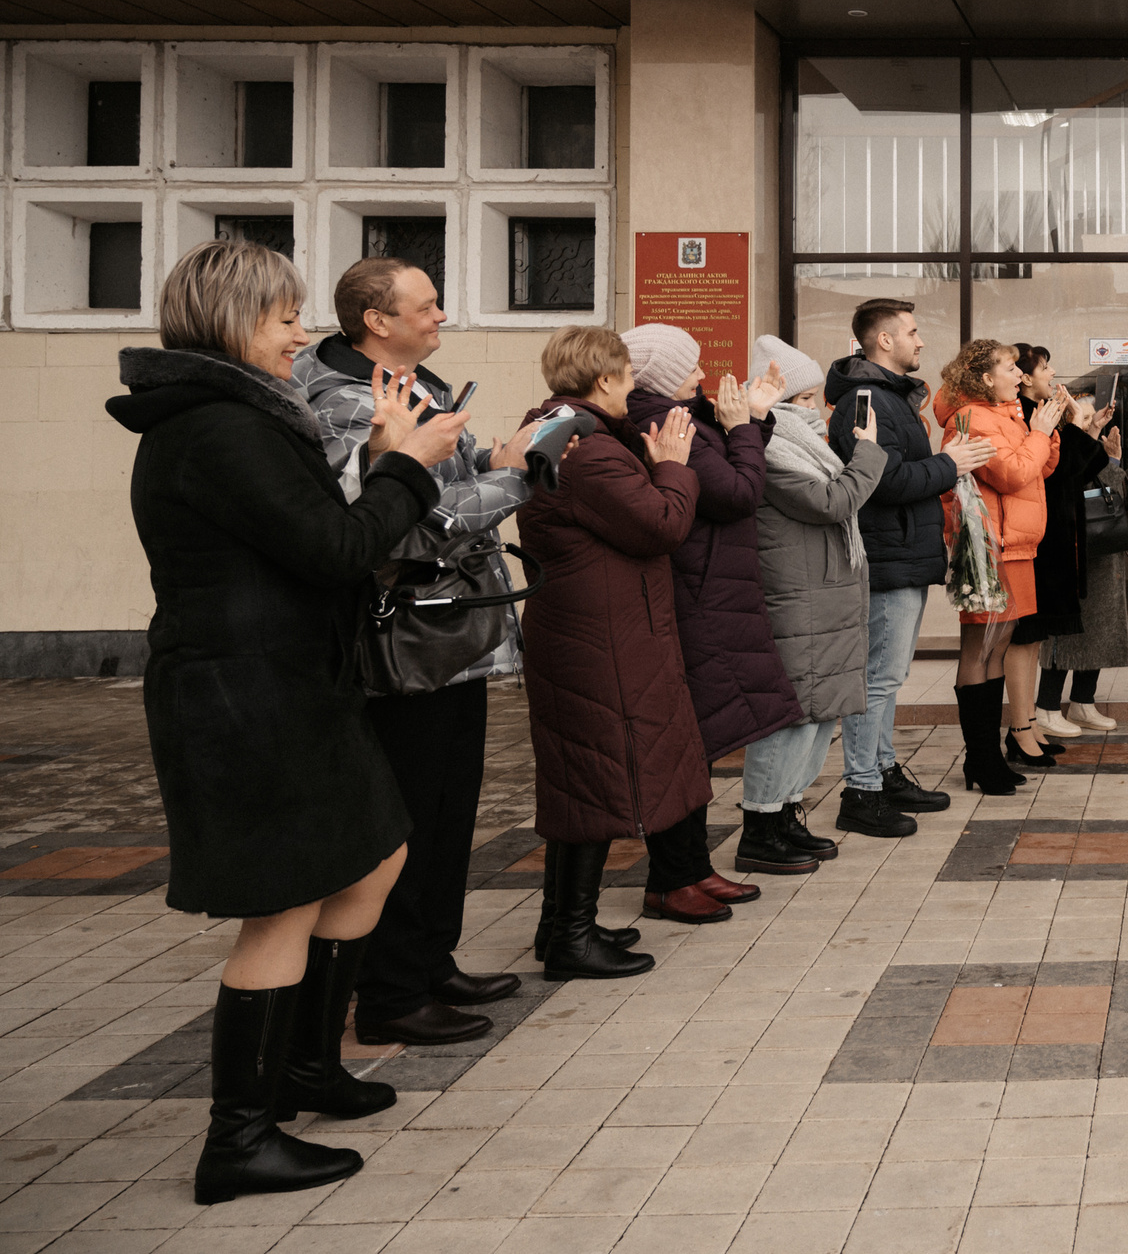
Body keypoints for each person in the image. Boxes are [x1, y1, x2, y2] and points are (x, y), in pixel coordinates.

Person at [107, 239, 467, 1206]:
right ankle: (240, 1136)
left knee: (376, 853)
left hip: (291, 682)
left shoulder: (243, 418)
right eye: (282, 319)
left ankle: (307, 1068)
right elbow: (335, 548)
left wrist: (391, 466)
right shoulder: (217, 429)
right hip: (243, 694)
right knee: (285, 902)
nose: (299, 335)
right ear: (232, 324)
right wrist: (404, 464)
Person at [293, 258, 537, 1050]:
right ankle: (391, 989)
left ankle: (432, 960)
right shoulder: (345, 404)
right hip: (402, 640)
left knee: (448, 809)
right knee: (407, 817)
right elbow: (404, 521)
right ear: (376, 320)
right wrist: (512, 478)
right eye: (425, 305)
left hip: (449, 632)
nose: (441, 316)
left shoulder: (416, 385)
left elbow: (433, 488)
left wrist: (487, 464)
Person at [514, 327, 704, 984]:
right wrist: (674, 465)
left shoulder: (551, 426)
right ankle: (571, 936)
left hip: (580, 626)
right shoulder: (588, 449)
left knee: (577, 776)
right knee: (593, 779)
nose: (634, 387)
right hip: (601, 636)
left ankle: (562, 924)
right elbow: (661, 525)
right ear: (601, 379)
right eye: (626, 376)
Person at [620, 325, 802, 913]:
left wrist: (749, 417)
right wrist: (746, 425)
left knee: (696, 735)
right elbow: (735, 492)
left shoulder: (679, 413)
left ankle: (691, 868)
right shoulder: (662, 420)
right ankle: (673, 877)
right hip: (698, 587)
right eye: (691, 367)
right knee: (685, 737)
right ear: (661, 377)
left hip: (709, 582)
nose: (702, 375)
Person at [824, 300, 992, 826]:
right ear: (884, 341)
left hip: (904, 554)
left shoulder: (891, 399)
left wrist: (945, 459)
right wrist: (949, 464)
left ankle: (883, 770)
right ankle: (862, 791)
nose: (921, 342)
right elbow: (879, 481)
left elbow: (900, 468)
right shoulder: (866, 400)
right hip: (886, 555)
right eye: (913, 333)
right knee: (878, 677)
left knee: (889, 675)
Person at [745, 335, 896, 837]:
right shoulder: (769, 447)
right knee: (792, 716)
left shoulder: (804, 444)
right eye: (808, 399)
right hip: (799, 598)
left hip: (823, 594)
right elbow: (833, 502)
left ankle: (786, 812)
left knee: (818, 714)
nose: (818, 410)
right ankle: (762, 824)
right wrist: (870, 452)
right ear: (782, 402)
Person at [933, 340, 1065, 788]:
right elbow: (1010, 473)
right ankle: (981, 759)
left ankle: (987, 758)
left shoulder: (1006, 412)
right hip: (989, 547)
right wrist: (1039, 432)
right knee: (981, 646)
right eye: (1010, 367)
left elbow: (1038, 470)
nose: (1018, 375)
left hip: (1016, 543)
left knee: (999, 644)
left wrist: (1047, 427)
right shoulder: (973, 417)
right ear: (986, 379)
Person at [1008, 346, 1113, 743]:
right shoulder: (1027, 416)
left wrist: (1088, 432)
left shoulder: (1042, 416)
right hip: (1041, 531)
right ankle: (1038, 713)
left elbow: (1075, 470)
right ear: (1025, 377)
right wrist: (1074, 428)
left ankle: (1039, 717)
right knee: (1035, 630)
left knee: (1043, 629)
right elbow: (1052, 471)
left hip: (1055, 526)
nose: (1053, 373)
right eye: (1045, 367)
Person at [1038, 423, 1128, 731]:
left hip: (1103, 556)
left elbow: (1121, 499)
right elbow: (1078, 487)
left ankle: (1083, 702)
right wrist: (1116, 465)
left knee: (1099, 631)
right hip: (1072, 555)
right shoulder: (1056, 445)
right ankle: (1047, 706)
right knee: (1065, 634)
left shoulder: (1091, 452)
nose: (1098, 426)